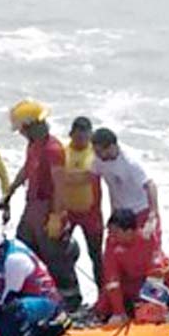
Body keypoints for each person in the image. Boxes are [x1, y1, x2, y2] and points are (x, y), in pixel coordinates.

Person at [0, 100, 80, 309]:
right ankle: (37, 293)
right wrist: (10, 192)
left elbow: (60, 186)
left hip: (49, 207)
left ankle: (71, 301)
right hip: (32, 206)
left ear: (30, 126)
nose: (21, 134)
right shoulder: (34, 145)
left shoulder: (53, 149)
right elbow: (27, 169)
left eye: (22, 130)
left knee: (56, 256)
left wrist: (56, 216)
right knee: (24, 246)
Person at [94, 209, 169, 325]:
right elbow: (112, 278)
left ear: (129, 232)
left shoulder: (147, 238)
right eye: (110, 232)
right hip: (131, 282)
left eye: (115, 232)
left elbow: (156, 273)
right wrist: (119, 312)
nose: (111, 235)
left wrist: (152, 305)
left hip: (153, 280)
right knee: (103, 305)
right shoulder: (111, 242)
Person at [90, 127, 161, 247]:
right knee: (112, 250)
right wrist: (97, 211)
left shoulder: (130, 163)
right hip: (119, 215)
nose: (96, 155)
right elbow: (94, 180)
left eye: (99, 151)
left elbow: (150, 185)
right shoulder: (98, 160)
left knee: (146, 248)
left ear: (111, 147)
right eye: (95, 151)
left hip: (140, 211)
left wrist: (153, 215)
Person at [62, 116, 104, 289]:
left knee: (96, 255)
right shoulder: (62, 152)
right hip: (67, 211)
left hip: (91, 212)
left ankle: (103, 294)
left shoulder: (96, 154)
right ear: (71, 134)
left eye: (85, 137)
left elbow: (89, 176)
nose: (81, 140)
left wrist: (70, 177)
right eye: (78, 136)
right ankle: (71, 292)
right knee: (61, 253)